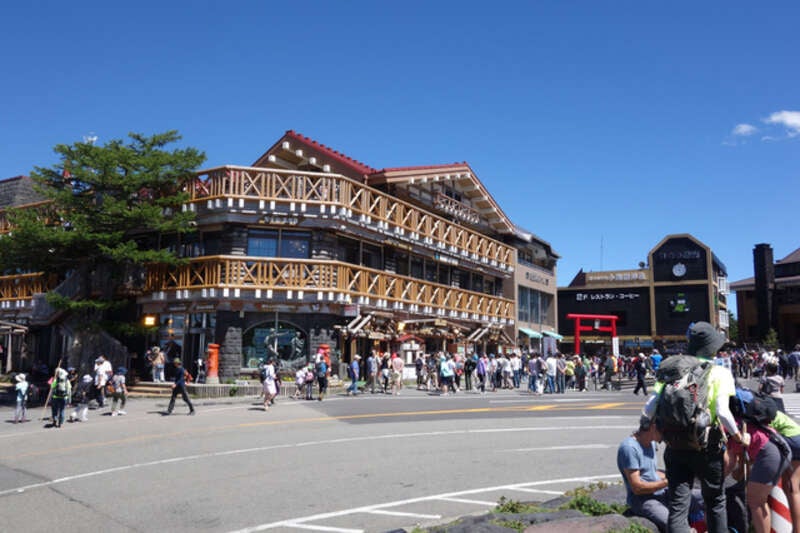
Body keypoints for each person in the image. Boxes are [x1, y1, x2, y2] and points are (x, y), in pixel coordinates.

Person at [643, 321, 745, 533]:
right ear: (711, 347)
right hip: (707, 446)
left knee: (679, 505)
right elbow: (722, 411)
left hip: (675, 444)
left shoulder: (674, 368)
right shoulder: (719, 372)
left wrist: (648, 427)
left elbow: (650, 405)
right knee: (715, 502)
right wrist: (737, 436)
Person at [617, 416, 703, 532]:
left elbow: (651, 472)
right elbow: (637, 487)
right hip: (644, 500)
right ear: (653, 427)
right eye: (664, 431)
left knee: (704, 496)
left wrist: (675, 475)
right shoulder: (629, 448)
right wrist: (668, 481)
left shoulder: (651, 444)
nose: (666, 436)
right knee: (674, 523)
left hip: (662, 492)